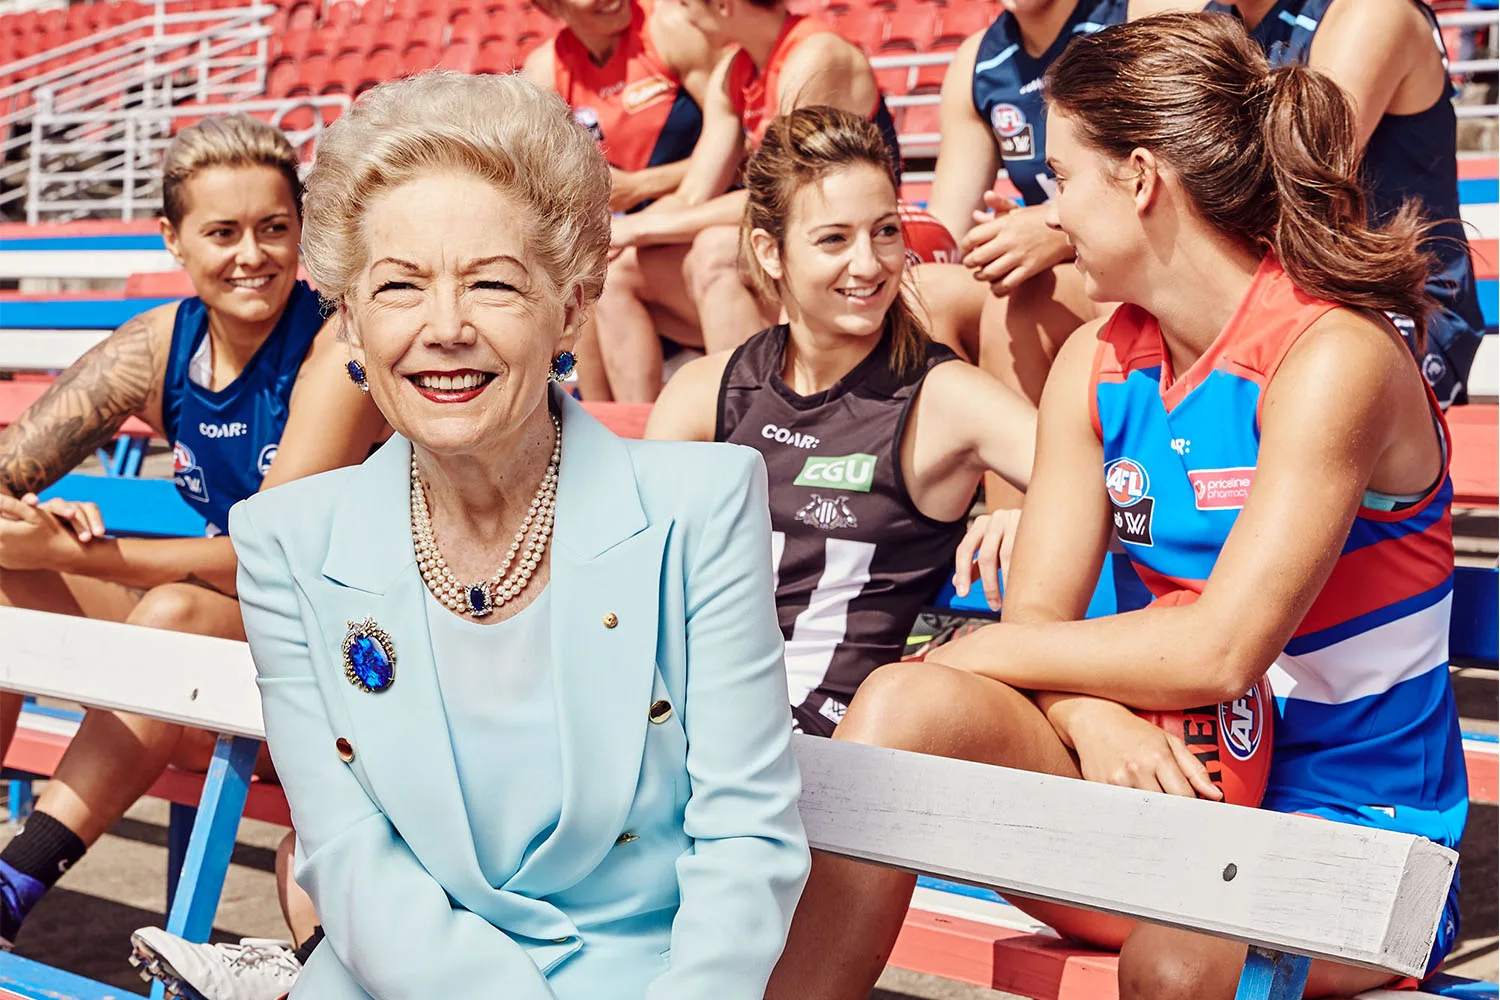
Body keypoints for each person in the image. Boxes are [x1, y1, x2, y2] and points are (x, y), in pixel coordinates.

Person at [766, 14, 1467, 1000]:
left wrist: (969, 651)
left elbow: (1223, 650)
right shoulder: (1096, 363)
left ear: (1139, 179)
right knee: (898, 705)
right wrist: (1089, 712)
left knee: (1178, 962)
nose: (1050, 212)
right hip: (1170, 788)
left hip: (1360, 835)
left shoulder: (1330, 357)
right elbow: (1042, 622)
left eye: (1062, 180)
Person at [225, 71, 809, 999]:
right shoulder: (285, 542)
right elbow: (344, 850)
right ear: (350, 319)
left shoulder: (704, 506)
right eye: (400, 287)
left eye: (493, 284)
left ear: (572, 306)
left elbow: (746, 836)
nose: (444, 328)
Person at [0, 115, 385, 967]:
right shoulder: (161, 343)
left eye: (274, 228)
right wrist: (44, 525)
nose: (253, 254)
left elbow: (274, 559)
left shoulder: (335, 348)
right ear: (175, 241)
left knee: (171, 615)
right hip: (229, 636)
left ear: (303, 232)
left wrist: (72, 557)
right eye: (223, 232)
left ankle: (14, 883)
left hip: (343, 651)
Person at [648, 105, 1035, 736]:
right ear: (769, 252)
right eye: (834, 239)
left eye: (885, 231)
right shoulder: (704, 392)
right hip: (689, 717)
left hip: (835, 743)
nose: (870, 263)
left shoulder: (941, 396)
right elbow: (638, 575)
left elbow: (1111, 482)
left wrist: (1023, 509)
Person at [592, 0, 905, 400]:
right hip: (801, 250)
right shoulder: (733, 71)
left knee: (716, 250)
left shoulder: (815, 55)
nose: (676, 17)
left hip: (861, 245)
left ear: (723, 6)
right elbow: (693, 193)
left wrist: (639, 226)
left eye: (687, 4)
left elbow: (785, 200)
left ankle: (746, 424)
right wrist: (614, 238)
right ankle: (639, 439)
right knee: (616, 271)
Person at [1208, 0, 1486, 407]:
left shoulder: (1372, 12)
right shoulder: (1217, 18)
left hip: (1394, 307)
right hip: (1280, 289)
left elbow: (1299, 188)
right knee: (1101, 323)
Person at [522, 0, 724, 401]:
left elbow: (743, 150)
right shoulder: (546, 70)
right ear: (552, 7)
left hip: (698, 225)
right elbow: (538, 185)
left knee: (607, 274)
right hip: (626, 244)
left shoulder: (669, 29)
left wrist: (640, 186)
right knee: (582, 280)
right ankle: (606, 426)